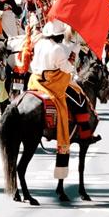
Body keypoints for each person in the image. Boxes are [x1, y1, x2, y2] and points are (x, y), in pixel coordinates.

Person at [28, 20, 90, 179]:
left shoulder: (40, 43)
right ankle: (77, 132)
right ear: (59, 36)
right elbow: (67, 68)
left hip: (35, 80)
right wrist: (73, 58)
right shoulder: (57, 49)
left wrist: (72, 50)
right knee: (79, 96)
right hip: (53, 83)